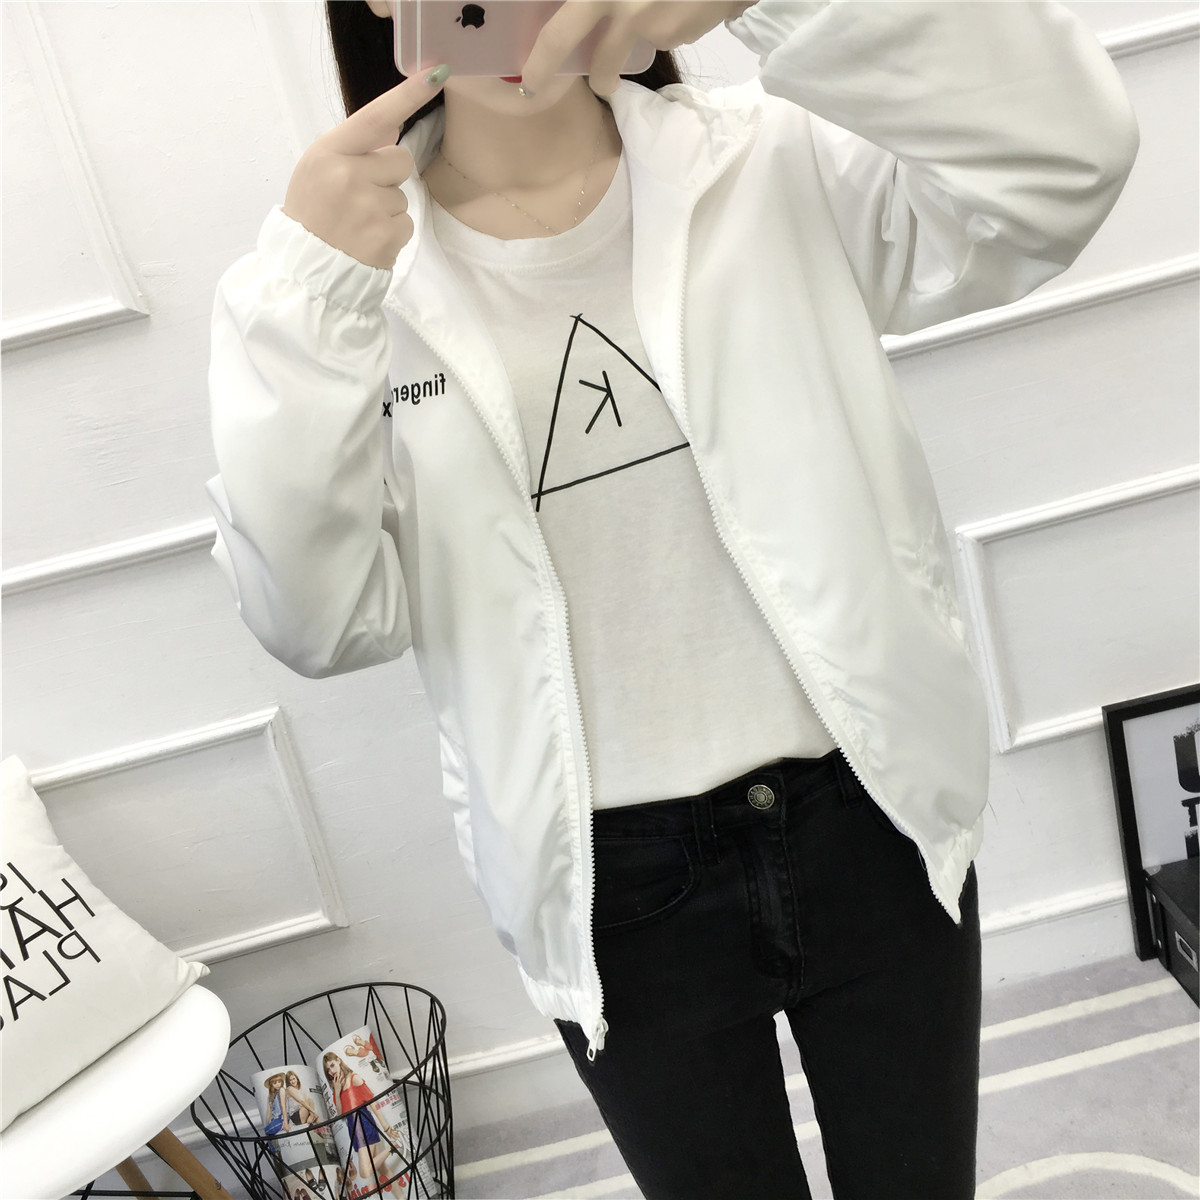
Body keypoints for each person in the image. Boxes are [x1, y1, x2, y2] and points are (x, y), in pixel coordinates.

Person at [204, 2, 1139, 1196]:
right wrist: (308, 302)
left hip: (873, 807)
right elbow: (323, 621)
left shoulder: (768, 158)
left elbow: (1062, 169)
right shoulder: (339, 292)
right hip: (611, 884)